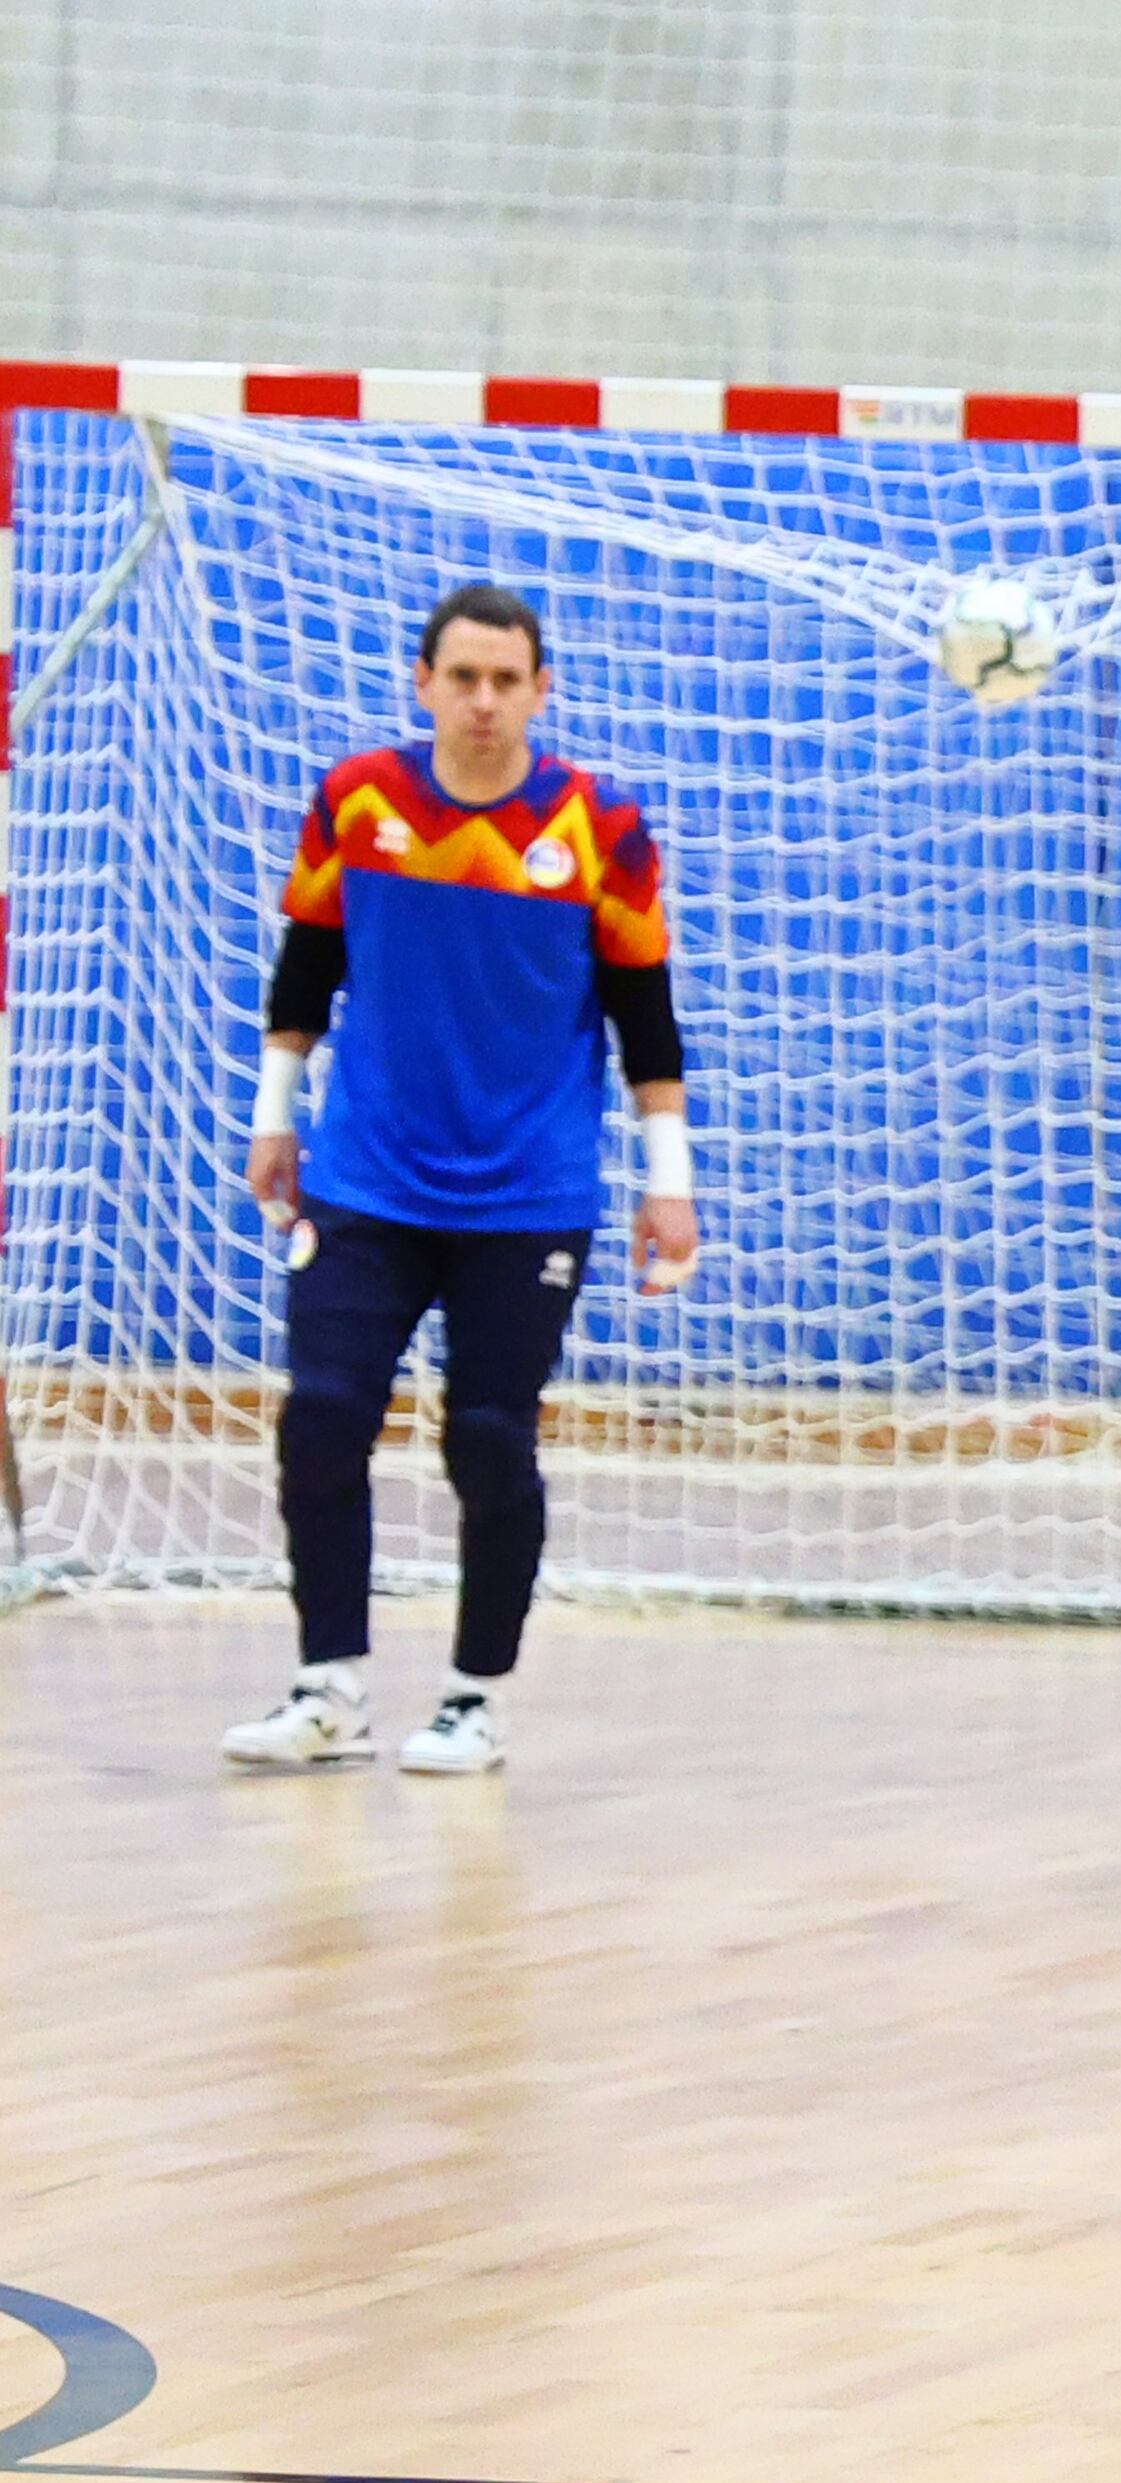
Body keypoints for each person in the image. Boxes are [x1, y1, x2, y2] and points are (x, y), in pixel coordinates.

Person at [221, 582, 698, 1779]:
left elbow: (647, 1018)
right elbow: (307, 969)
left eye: (508, 680)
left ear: (543, 692)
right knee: (323, 1415)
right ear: (422, 685)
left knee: (487, 1437)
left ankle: (472, 1700)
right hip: (365, 1178)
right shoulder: (356, 801)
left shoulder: (601, 826)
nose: (484, 701)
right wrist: (274, 1119)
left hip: (525, 1195)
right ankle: (328, 1687)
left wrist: (667, 1180)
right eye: (464, 677)